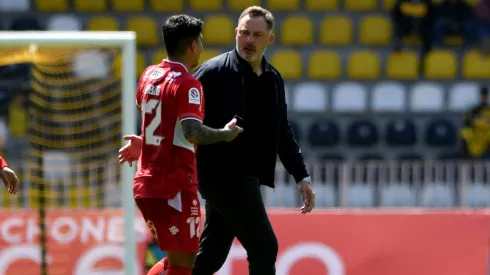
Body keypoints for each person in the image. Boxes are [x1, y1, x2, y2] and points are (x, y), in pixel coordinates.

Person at [119, 6, 315, 275]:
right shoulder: (211, 73)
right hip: (220, 175)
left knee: (209, 256)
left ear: (270, 38)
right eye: (244, 33)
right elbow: (171, 112)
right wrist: (148, 141)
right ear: (236, 33)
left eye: (257, 35)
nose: (249, 40)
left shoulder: (273, 79)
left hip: (248, 176)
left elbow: (282, 131)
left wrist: (301, 175)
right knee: (264, 247)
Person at [119, 14, 243, 275]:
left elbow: (158, 120)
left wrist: (147, 145)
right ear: (193, 46)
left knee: (178, 261)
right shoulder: (188, 84)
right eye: (201, 40)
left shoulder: (149, 75)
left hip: (146, 183)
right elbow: (192, 132)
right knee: (185, 263)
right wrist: (225, 133)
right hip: (173, 185)